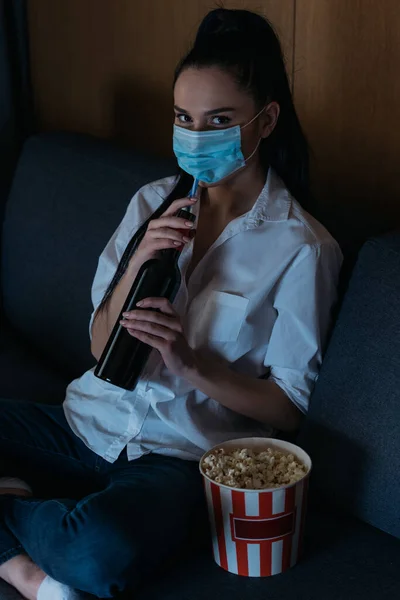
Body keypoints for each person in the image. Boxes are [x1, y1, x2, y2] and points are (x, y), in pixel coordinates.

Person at [0, 8, 342, 600]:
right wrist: (138, 261)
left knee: (96, 550)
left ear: (266, 122)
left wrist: (191, 365)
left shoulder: (304, 248)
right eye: (184, 117)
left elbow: (287, 408)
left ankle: (26, 525)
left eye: (218, 119)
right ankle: (23, 570)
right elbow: (98, 345)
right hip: (88, 424)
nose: (196, 134)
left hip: (178, 456)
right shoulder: (152, 202)